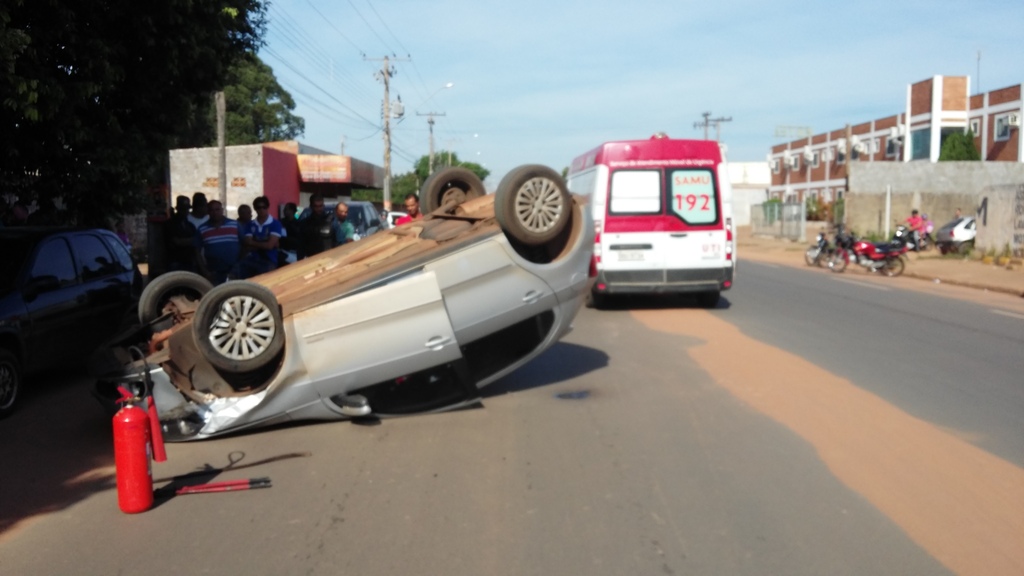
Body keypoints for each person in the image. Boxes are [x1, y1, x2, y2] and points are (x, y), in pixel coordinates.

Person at [233, 196, 283, 279]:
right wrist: (265, 242)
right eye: (259, 208)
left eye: (264, 207)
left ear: (267, 207)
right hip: (251, 259)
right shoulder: (250, 224)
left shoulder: (275, 223)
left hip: (269, 260)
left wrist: (254, 242)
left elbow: (269, 245)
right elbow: (247, 243)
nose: (262, 210)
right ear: (255, 209)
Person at [196, 200, 241, 285]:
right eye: (211, 210)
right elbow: (196, 252)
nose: (215, 212)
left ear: (222, 210)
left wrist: (239, 263)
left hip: (234, 270)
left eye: (217, 209)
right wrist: (205, 271)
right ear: (208, 212)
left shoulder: (235, 225)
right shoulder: (202, 229)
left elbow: (246, 244)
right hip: (214, 272)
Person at [164, 195, 200, 272]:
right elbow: (176, 242)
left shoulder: (190, 225)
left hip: (188, 261)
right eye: (183, 209)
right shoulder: (170, 224)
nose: (185, 211)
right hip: (175, 261)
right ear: (178, 209)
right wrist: (193, 240)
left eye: (187, 209)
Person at [297, 193, 334, 259]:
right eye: (316, 206)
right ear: (311, 206)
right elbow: (300, 246)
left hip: (328, 259)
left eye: (321, 206)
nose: (319, 209)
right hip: (311, 260)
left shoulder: (332, 221)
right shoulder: (305, 224)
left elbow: (340, 241)